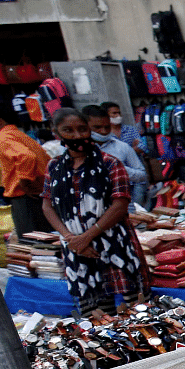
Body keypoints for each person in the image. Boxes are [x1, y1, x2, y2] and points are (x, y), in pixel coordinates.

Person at [41, 108, 149, 316]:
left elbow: (120, 204)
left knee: (137, 309)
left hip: (116, 246)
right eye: (68, 130)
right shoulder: (54, 167)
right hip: (77, 250)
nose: (77, 136)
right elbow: (47, 205)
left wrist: (86, 237)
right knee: (97, 315)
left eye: (82, 129)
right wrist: (71, 238)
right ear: (56, 132)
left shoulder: (109, 163)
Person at [0, 100, 55, 240]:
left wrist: (24, 183)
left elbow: (26, 157)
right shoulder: (16, 134)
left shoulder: (3, 137)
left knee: (34, 242)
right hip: (38, 193)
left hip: (25, 197)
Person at [83, 105, 149, 209]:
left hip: (125, 201)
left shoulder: (122, 147)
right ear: (86, 127)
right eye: (97, 127)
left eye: (107, 127)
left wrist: (119, 169)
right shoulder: (80, 151)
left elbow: (142, 175)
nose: (104, 131)